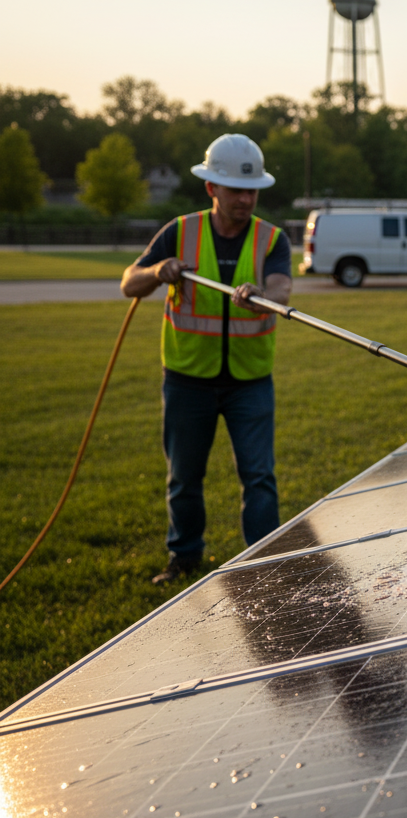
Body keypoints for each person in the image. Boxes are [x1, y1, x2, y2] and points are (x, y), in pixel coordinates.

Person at [121, 134, 292, 584]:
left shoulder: (271, 238)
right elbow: (129, 282)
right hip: (187, 378)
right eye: (236, 190)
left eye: (252, 190)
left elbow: (282, 289)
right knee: (184, 477)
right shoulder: (180, 231)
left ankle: (263, 561)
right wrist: (159, 271)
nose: (246, 199)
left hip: (250, 380)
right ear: (211, 189)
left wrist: (263, 296)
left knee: (259, 477)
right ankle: (184, 558)